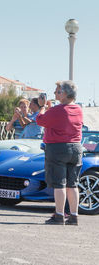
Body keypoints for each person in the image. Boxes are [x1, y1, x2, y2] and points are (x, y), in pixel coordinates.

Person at [36, 81, 83, 225]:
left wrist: (42, 107)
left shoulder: (58, 110)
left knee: (59, 184)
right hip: (76, 148)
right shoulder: (78, 109)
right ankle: (74, 216)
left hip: (57, 148)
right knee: (72, 184)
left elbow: (40, 120)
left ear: (64, 93)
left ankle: (59, 215)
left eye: (57, 91)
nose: (55, 94)